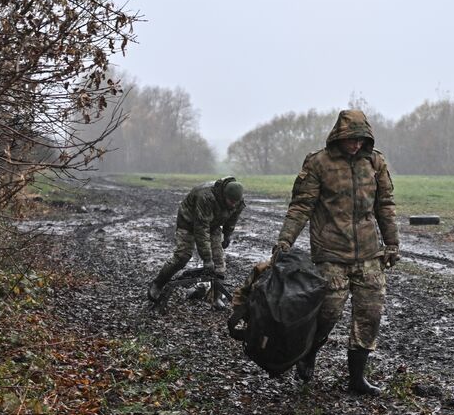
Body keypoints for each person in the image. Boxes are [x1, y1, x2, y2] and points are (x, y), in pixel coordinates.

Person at [273, 109, 398, 394]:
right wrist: (285, 240)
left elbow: (385, 205)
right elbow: (301, 206)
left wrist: (392, 243)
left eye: (360, 139)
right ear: (339, 137)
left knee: (370, 315)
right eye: (350, 139)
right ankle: (308, 354)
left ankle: (357, 379)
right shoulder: (319, 163)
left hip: (369, 253)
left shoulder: (375, 162)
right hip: (331, 252)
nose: (355, 145)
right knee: (326, 313)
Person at [148, 177, 245, 300]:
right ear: (224, 195)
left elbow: (232, 218)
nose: (234, 204)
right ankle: (158, 284)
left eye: (236, 202)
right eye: (231, 201)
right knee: (182, 256)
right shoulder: (205, 196)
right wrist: (207, 259)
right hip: (188, 222)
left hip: (213, 224)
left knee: (219, 262)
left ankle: (216, 297)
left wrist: (227, 234)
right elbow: (201, 229)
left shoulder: (238, 199)